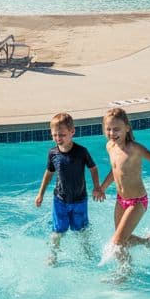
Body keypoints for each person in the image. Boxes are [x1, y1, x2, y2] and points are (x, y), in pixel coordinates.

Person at [97, 107, 150, 252]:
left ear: (127, 128)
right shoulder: (110, 147)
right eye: (108, 129)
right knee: (123, 240)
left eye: (116, 129)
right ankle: (147, 242)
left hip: (137, 201)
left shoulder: (134, 148)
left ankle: (124, 273)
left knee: (117, 243)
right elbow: (115, 170)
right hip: (121, 200)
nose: (112, 133)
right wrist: (103, 187)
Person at [35, 112, 103, 263]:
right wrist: (41, 194)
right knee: (58, 231)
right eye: (55, 135)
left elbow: (93, 168)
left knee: (82, 230)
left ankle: (87, 251)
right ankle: (53, 255)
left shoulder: (81, 151)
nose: (58, 138)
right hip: (60, 200)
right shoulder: (52, 153)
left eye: (62, 135)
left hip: (80, 200)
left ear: (72, 132)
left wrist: (97, 187)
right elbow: (49, 173)